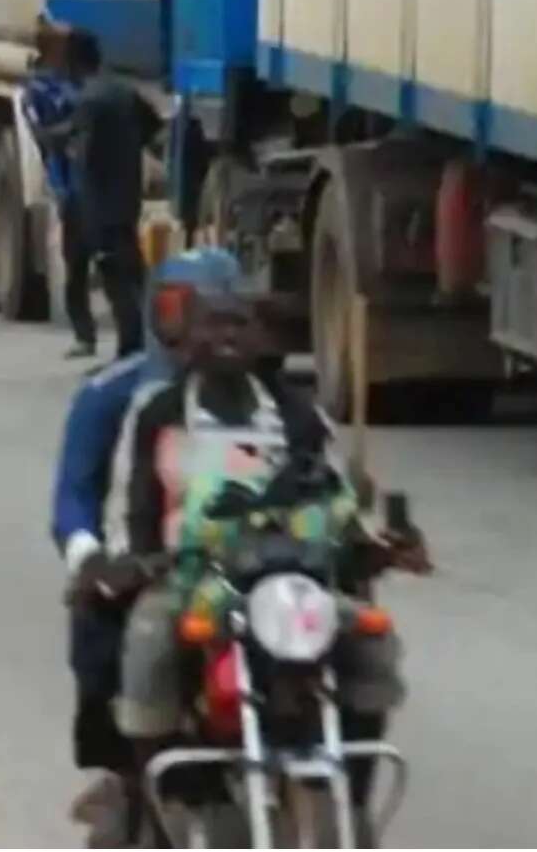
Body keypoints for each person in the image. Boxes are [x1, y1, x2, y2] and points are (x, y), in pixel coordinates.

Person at [100, 284, 423, 817]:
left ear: (261, 337)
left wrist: (373, 544)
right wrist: (131, 560)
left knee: (371, 638)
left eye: (239, 324)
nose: (227, 335)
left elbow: (334, 495)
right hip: (194, 578)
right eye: (214, 324)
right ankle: (158, 804)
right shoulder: (158, 412)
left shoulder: (299, 414)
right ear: (188, 337)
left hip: (290, 581)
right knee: (148, 640)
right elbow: (128, 501)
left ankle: (353, 802)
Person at [51, 249, 245, 840]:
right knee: (105, 623)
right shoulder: (114, 396)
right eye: (180, 310)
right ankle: (128, 768)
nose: (201, 330)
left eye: (218, 313)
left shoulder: (271, 401)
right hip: (154, 567)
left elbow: (321, 477)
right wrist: (94, 558)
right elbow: (74, 496)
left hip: (249, 569)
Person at [64, 27, 159, 358]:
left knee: (115, 281)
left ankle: (128, 351)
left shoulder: (88, 101)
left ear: (73, 61)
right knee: (134, 278)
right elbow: (153, 126)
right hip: (126, 199)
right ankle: (145, 346)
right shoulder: (123, 91)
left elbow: (86, 159)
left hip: (100, 208)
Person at [24, 20, 97, 356]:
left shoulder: (89, 87)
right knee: (77, 264)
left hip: (101, 188)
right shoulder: (40, 90)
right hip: (71, 186)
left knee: (115, 267)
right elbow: (43, 135)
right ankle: (84, 334)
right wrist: (72, 132)